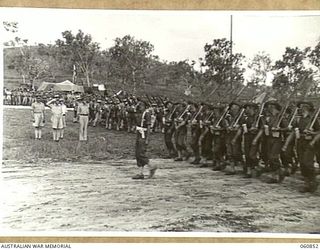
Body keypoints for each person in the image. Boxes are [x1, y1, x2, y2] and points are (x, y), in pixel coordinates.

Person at [132, 100, 157, 180]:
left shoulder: (147, 113)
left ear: (145, 106)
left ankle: (151, 166)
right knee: (137, 153)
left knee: (141, 153)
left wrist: (147, 138)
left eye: (141, 105)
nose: (140, 106)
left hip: (144, 134)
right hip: (139, 133)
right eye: (139, 105)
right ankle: (140, 172)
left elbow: (149, 127)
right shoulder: (139, 113)